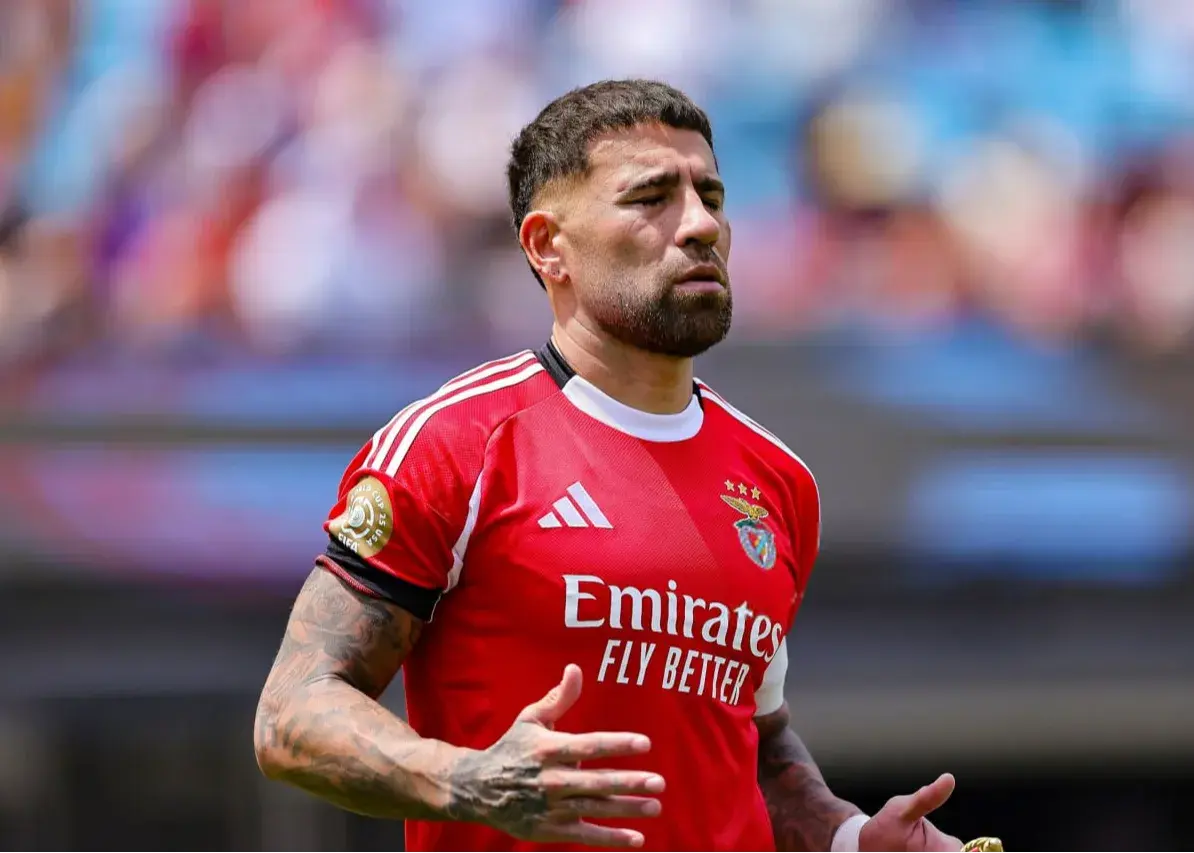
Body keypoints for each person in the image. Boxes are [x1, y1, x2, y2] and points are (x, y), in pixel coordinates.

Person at [253, 79, 1000, 853]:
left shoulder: (778, 481)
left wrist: (848, 836)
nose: (701, 224)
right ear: (549, 246)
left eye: (711, 195)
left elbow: (756, 746)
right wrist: (469, 778)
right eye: (652, 198)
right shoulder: (457, 446)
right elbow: (292, 712)